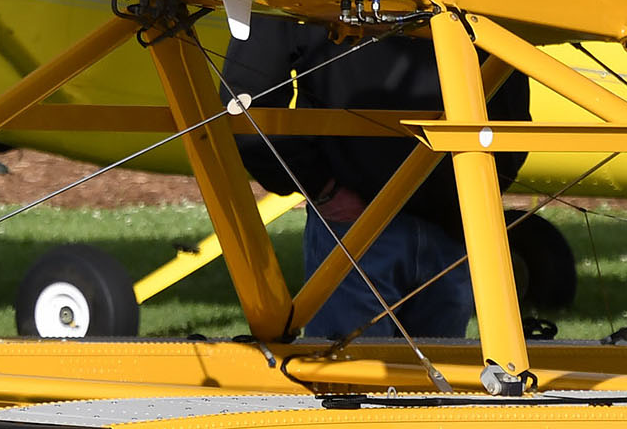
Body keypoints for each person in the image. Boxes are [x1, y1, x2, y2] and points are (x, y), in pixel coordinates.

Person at [224, 19, 526, 339]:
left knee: (426, 382)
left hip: (449, 228)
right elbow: (244, 103)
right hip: (359, 222)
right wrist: (322, 188)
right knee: (350, 380)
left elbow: (512, 101)